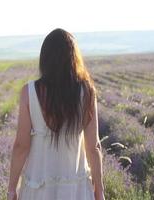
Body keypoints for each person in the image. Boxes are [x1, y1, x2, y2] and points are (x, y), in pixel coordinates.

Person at [7, 28, 105, 200]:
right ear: (74, 58)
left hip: (38, 187)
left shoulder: (29, 92)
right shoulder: (87, 91)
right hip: (76, 189)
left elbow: (21, 146)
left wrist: (11, 189)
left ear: (44, 59)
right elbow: (93, 147)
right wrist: (100, 191)